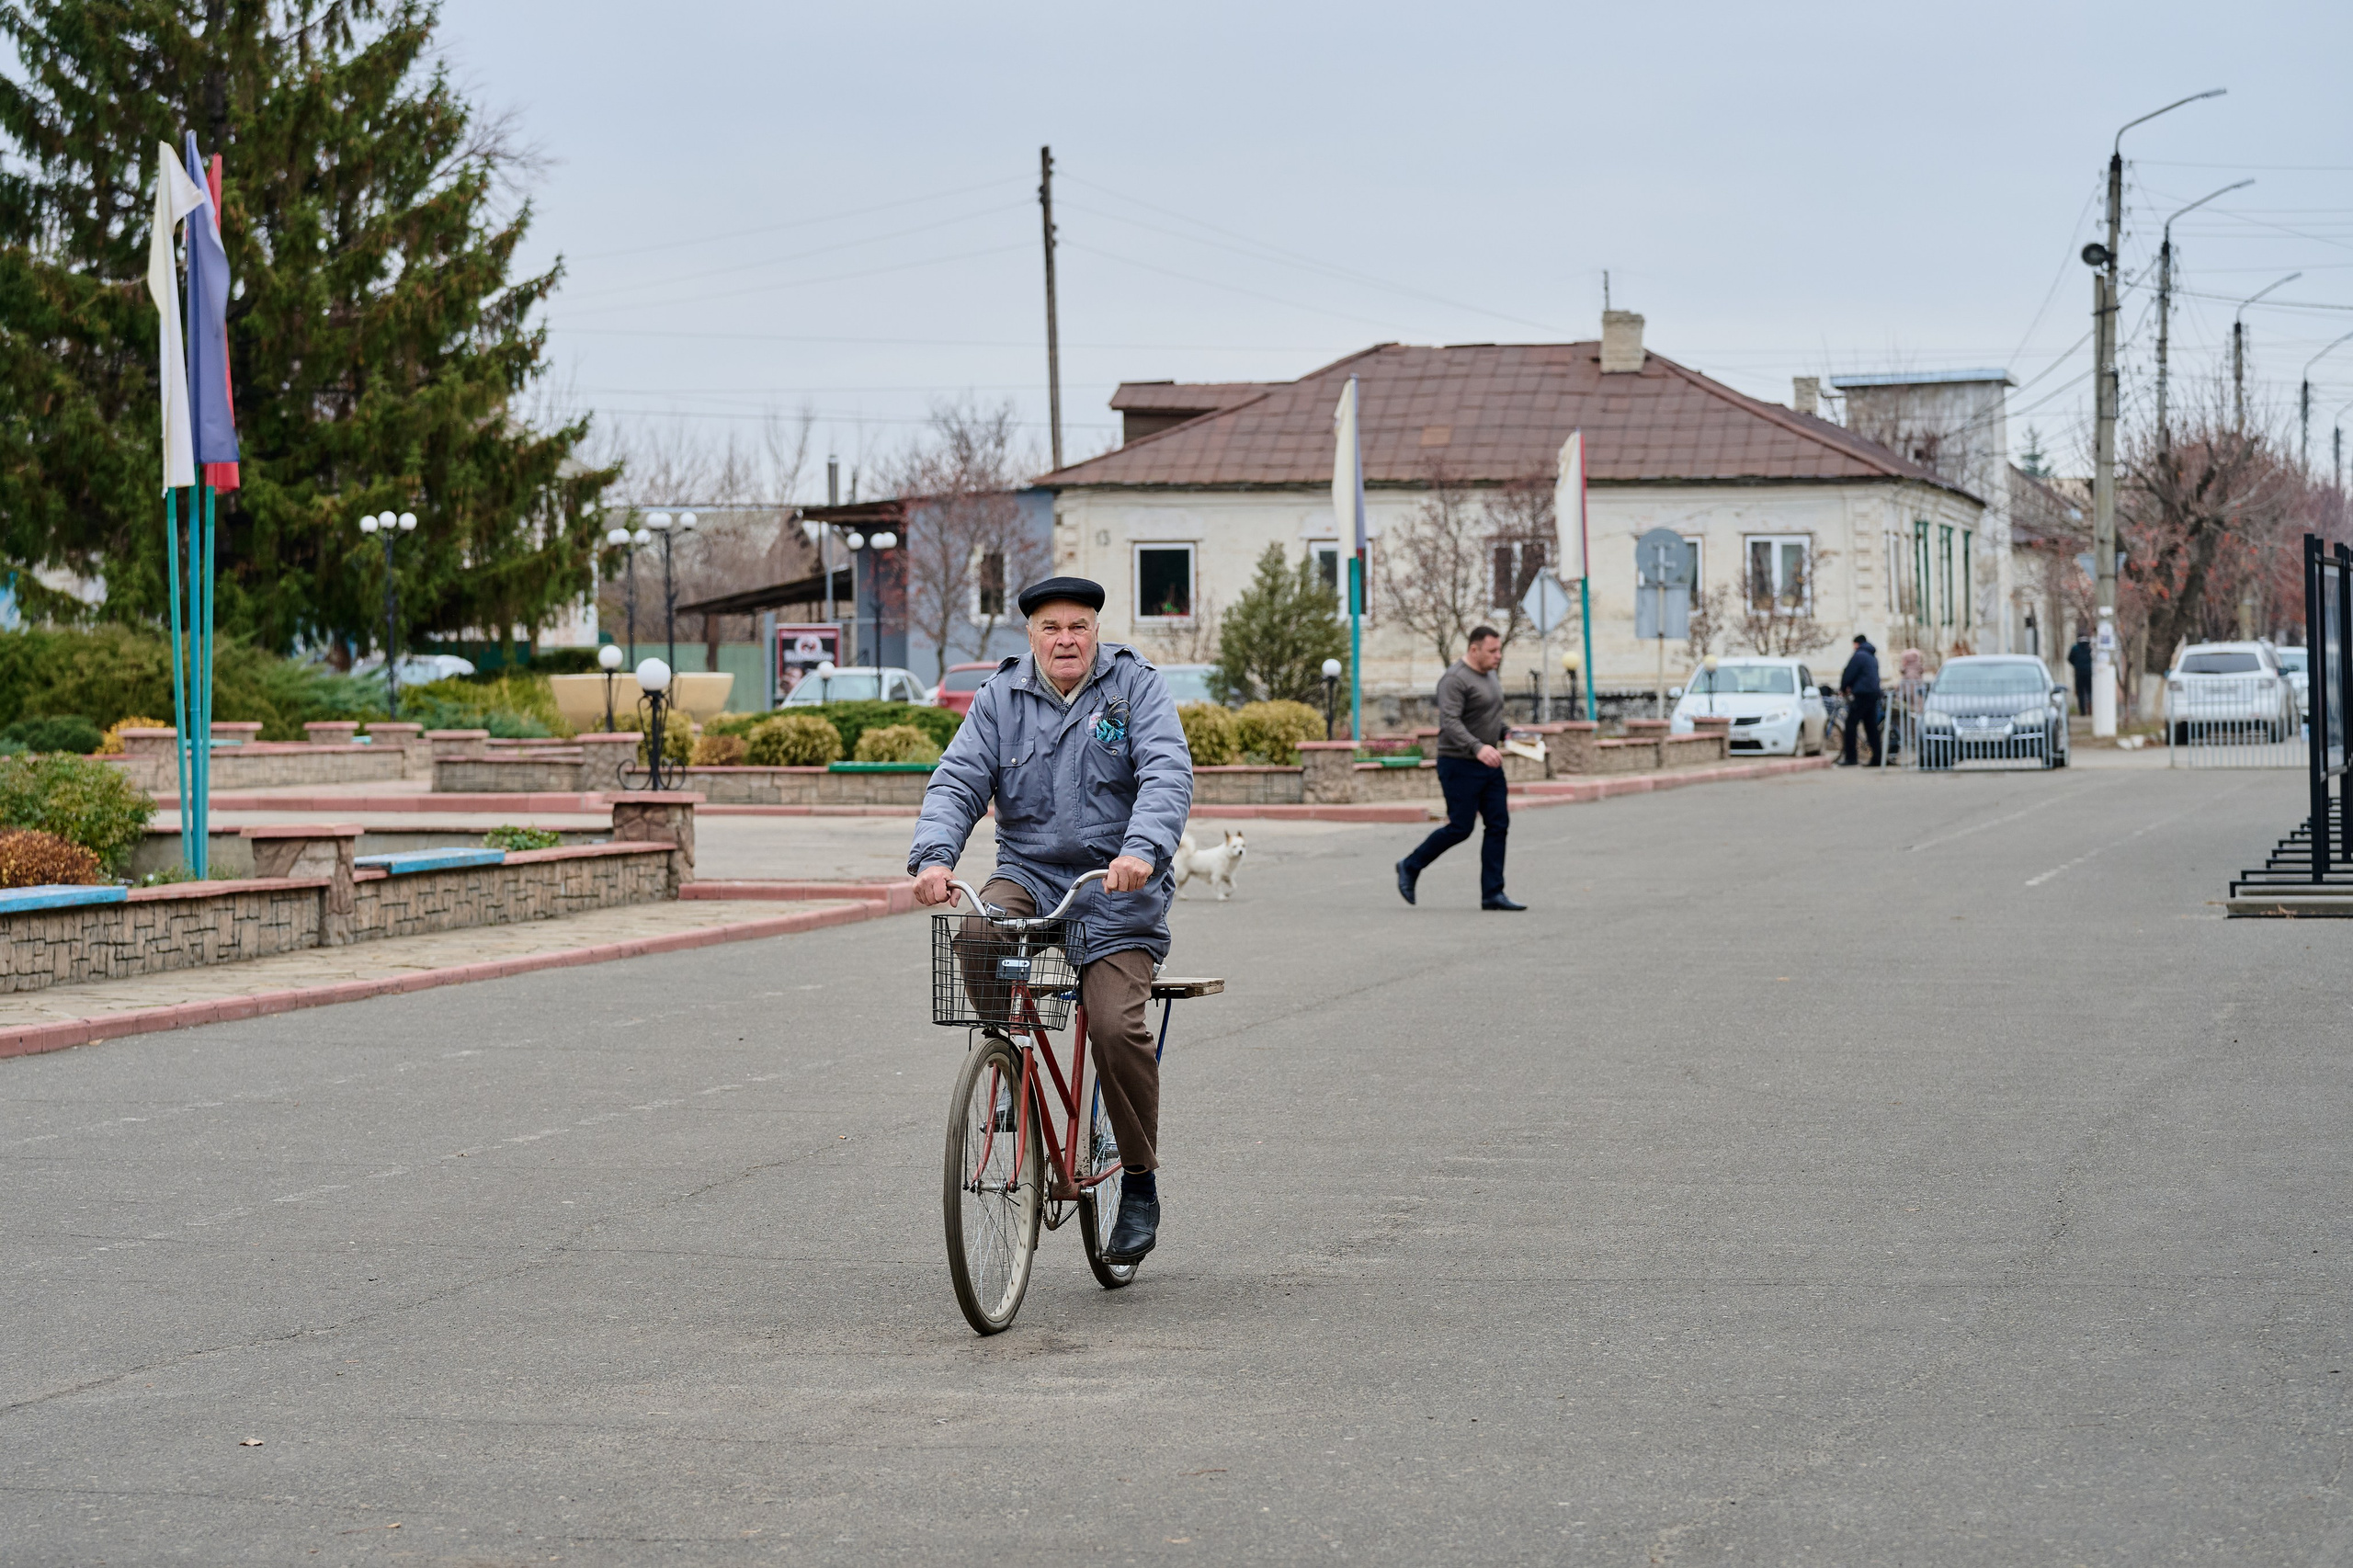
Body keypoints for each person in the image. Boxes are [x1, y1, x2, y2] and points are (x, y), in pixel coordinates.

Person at [908, 576, 1192, 1266]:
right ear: (1030, 636)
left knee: (1117, 1024)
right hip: (1029, 876)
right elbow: (958, 780)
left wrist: (1141, 850)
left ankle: (1140, 1180)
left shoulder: (1135, 689)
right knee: (976, 933)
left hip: (1117, 886)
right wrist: (934, 858)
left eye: (1079, 626)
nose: (1066, 638)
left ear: (1096, 632)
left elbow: (1167, 772)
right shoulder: (1000, 698)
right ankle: (1012, 1067)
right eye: (1051, 628)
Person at [1396, 626, 1524, 910]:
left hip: (1489, 763)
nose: (1498, 656)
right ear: (1473, 649)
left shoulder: (1490, 675)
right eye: (1492, 651)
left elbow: (1487, 715)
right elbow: (1451, 723)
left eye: (1499, 650)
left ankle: (1493, 893)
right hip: (1459, 763)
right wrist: (1478, 747)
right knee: (1460, 827)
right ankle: (1410, 865)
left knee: (1498, 824)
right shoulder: (1454, 679)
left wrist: (1508, 734)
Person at [1838, 632, 1884, 767]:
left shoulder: (1859, 656)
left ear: (1856, 644)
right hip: (1873, 694)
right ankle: (1877, 757)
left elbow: (1849, 673)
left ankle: (1851, 757)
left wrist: (1843, 687)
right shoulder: (1872, 656)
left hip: (1862, 694)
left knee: (1850, 725)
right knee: (1871, 727)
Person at [2068, 631, 2094, 716]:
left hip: (2079, 673)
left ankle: (2082, 711)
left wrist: (2076, 665)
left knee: (2081, 693)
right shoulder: (2090, 647)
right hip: (2089, 672)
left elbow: (2069, 658)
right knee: (2090, 691)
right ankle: (2090, 708)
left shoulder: (2075, 648)